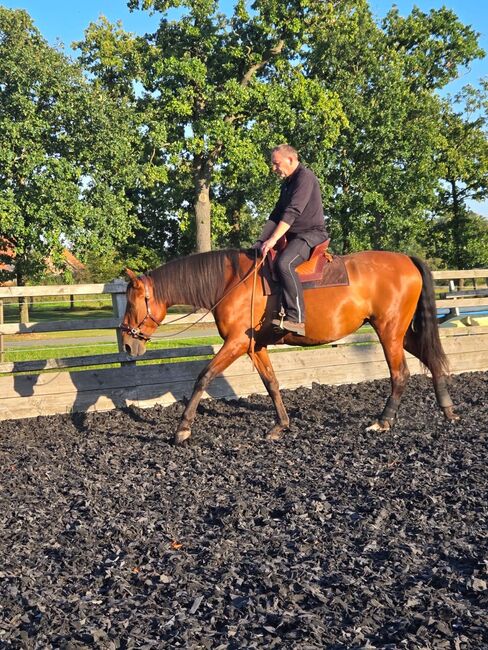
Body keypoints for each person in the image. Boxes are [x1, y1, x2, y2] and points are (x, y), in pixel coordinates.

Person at [253, 144, 329, 336]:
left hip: (311, 234)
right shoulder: (288, 183)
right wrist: (261, 240)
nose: (274, 168)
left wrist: (273, 239)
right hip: (294, 236)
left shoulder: (305, 178)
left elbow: (292, 212)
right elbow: (277, 214)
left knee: (284, 264)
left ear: (291, 160)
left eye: (276, 163)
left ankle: (296, 318)